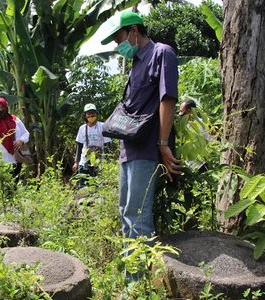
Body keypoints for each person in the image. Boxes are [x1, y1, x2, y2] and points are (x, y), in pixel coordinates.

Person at [100, 11, 182, 279]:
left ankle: (140, 285)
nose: (117, 44)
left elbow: (167, 99)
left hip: (147, 150)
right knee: (126, 213)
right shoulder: (135, 63)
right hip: (129, 151)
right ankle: (131, 279)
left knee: (138, 215)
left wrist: (162, 144)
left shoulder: (162, 53)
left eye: (118, 37)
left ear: (134, 30)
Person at [0, 97, 30, 179]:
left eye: (2, 107)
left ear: (6, 107)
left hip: (16, 159)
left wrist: (21, 141)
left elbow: (26, 133)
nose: (1, 110)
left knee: (14, 185)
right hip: (2, 163)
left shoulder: (15, 120)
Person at [72, 103, 111, 188]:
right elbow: (79, 146)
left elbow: (107, 145)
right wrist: (76, 162)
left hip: (99, 159)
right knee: (83, 185)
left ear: (96, 114)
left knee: (97, 184)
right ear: (85, 115)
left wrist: (107, 161)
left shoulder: (103, 126)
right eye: (88, 113)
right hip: (85, 159)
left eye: (93, 113)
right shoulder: (82, 128)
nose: (91, 115)